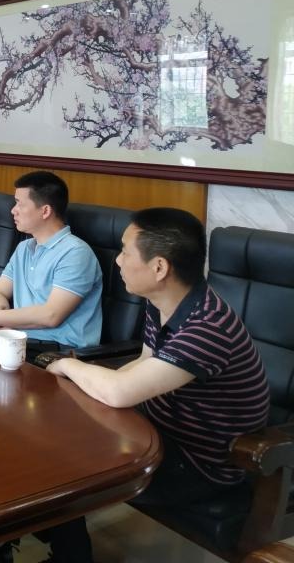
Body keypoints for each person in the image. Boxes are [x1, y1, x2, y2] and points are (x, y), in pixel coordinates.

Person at [40, 208, 270, 561]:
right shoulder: (163, 302)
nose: (118, 261)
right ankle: (49, 532)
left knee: (62, 463)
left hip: (199, 464)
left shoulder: (206, 326)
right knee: (50, 430)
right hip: (158, 432)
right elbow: (145, 363)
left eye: (125, 252)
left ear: (159, 267)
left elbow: (121, 392)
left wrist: (67, 364)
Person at [0, 171, 102, 350]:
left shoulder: (75, 253)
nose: (13, 210)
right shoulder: (24, 248)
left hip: (59, 349)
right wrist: (0, 317)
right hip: (19, 340)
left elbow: (51, 315)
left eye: (19, 204)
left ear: (45, 211)